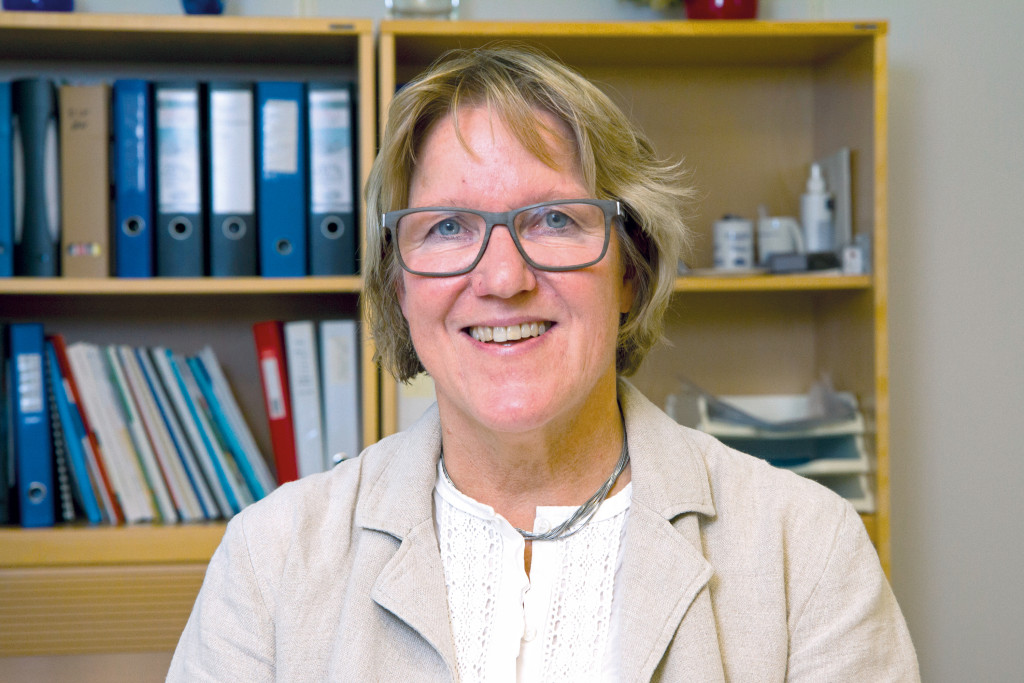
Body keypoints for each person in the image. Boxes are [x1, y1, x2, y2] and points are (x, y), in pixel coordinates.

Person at [168, 45, 919, 681]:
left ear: (631, 271)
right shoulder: (270, 562)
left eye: (555, 219)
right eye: (448, 227)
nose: (503, 278)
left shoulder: (805, 549)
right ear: (399, 286)